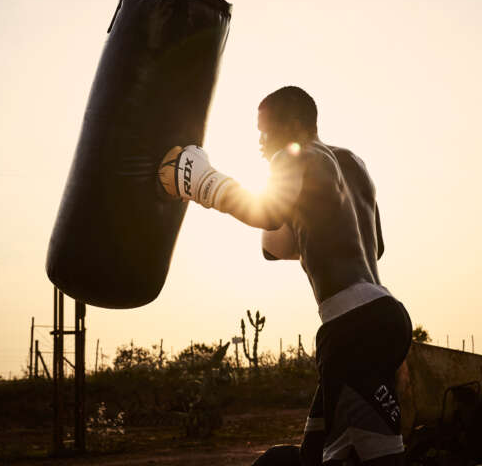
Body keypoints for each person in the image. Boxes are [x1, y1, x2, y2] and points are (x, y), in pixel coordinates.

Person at [159, 86, 411, 465]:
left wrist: (203, 182)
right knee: (314, 454)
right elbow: (373, 247)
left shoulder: (294, 154)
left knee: (375, 459)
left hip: (351, 329)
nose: (260, 143)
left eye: (265, 132)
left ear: (293, 125)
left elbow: (267, 213)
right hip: (386, 316)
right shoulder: (353, 164)